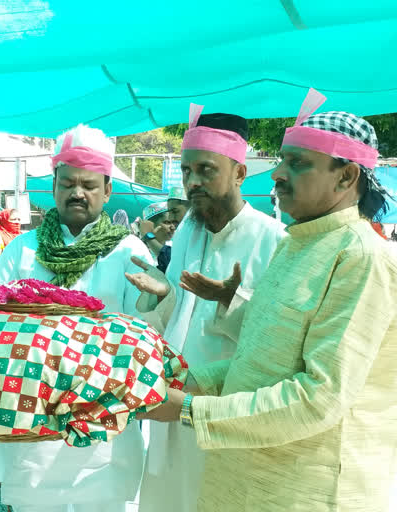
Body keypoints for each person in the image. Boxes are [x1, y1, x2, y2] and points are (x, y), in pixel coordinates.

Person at [142, 91, 397, 511]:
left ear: (347, 177)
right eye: (282, 160)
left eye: (298, 163)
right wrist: (191, 383)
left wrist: (189, 410)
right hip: (247, 478)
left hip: (307, 491)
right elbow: (263, 358)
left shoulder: (361, 258)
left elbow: (318, 398)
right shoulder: (297, 245)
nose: (277, 174)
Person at [0, 124, 154, 512]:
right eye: (68, 183)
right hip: (32, 419)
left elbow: (145, 335)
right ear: (54, 186)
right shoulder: (22, 250)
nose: (78, 192)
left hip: (101, 424)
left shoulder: (129, 251)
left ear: (108, 190)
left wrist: (154, 302)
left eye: (89, 185)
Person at [132, 106, 286, 512]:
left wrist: (228, 299)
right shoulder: (188, 232)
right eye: (186, 171)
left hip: (224, 411)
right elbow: (179, 314)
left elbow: (278, 339)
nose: (193, 182)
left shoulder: (272, 239)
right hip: (172, 406)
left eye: (206, 170)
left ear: (239, 172)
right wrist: (162, 293)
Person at [138, 201, 178, 268]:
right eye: (167, 222)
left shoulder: (174, 247)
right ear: (150, 225)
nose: (173, 227)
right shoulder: (139, 250)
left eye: (174, 223)